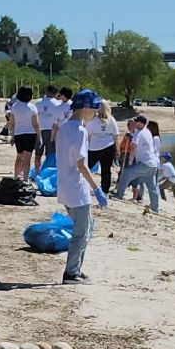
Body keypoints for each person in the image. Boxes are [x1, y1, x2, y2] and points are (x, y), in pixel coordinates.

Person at [57, 89, 105, 284]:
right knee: (81, 233)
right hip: (77, 189)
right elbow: (81, 164)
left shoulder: (64, 127)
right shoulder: (80, 131)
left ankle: (76, 267)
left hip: (65, 187)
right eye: (94, 108)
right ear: (85, 107)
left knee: (87, 227)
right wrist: (97, 189)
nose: (95, 112)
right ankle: (71, 273)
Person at [117, 115, 161, 213]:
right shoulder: (148, 132)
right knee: (152, 187)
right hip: (153, 164)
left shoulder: (138, 133)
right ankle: (155, 208)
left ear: (141, 123)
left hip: (144, 163)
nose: (134, 123)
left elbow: (133, 147)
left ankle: (118, 195)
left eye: (136, 122)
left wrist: (130, 162)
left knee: (126, 173)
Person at [86, 99, 119, 195]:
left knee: (87, 167)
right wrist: (117, 149)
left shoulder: (92, 120)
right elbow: (115, 135)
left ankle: (81, 184)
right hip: (109, 146)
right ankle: (105, 189)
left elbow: (88, 134)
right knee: (106, 169)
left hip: (95, 147)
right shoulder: (111, 120)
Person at [8, 86, 40, 178]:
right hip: (30, 134)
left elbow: (12, 123)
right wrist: (39, 136)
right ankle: (25, 178)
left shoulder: (14, 107)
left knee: (19, 157)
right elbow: (36, 124)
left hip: (19, 134)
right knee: (27, 159)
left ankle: (16, 177)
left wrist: (12, 136)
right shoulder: (32, 107)